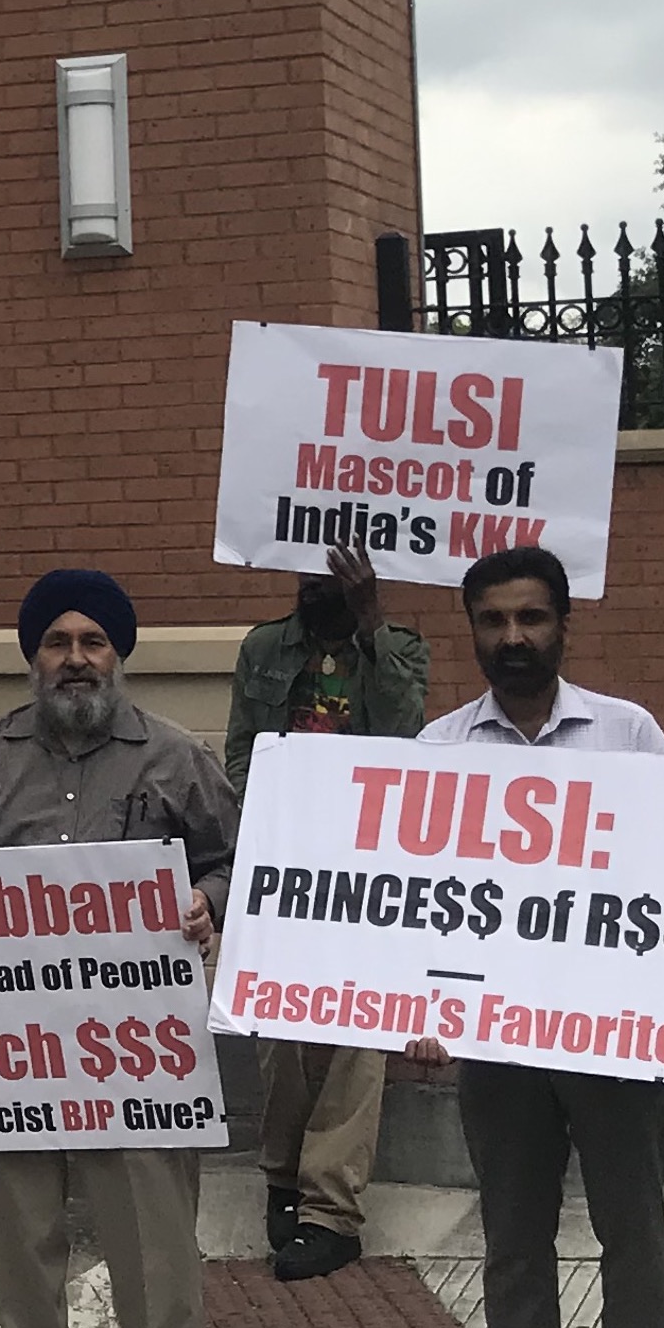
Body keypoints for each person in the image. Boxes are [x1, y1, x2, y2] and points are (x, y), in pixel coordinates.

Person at [412, 545, 664, 1328]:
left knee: (631, 1227)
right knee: (512, 1233)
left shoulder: (626, 731)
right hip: (494, 1037)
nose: (513, 637)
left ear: (564, 623)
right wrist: (417, 1003)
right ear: (472, 630)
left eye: (531, 618)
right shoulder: (440, 750)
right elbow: (416, 903)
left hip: (614, 1033)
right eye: (494, 621)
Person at [0, 567, 233, 1328]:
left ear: (118, 654)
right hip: (13, 1036)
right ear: (33, 657)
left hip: (136, 1039)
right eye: (57, 642)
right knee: (20, 1224)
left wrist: (206, 902)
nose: (75, 658)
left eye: (93, 641)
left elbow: (234, 856)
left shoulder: (174, 754)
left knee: (149, 1232)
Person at [224, 543, 430, 1281]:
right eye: (308, 569)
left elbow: (408, 735)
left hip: (370, 862)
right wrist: (271, 818)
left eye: (335, 572)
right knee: (277, 1020)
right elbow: (241, 751)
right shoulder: (264, 648)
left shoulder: (398, 648)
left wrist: (372, 621)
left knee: (358, 1027)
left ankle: (331, 1211)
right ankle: (283, 1176)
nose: (319, 581)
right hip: (285, 855)